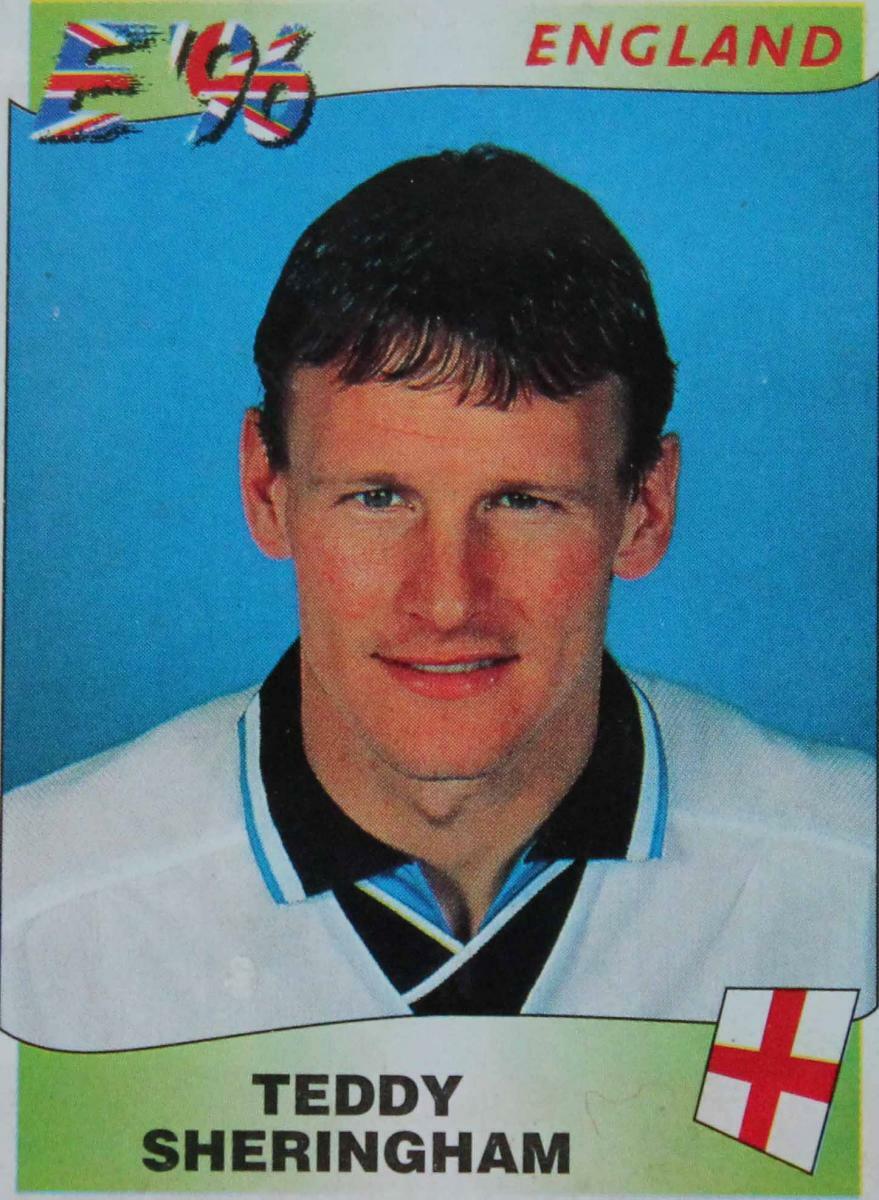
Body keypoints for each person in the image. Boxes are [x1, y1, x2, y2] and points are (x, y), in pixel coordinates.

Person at [1, 146, 873, 1051]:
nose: (449, 600)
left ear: (644, 508)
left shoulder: (849, 890)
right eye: (378, 498)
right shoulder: (33, 914)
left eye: (522, 501)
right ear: (266, 489)